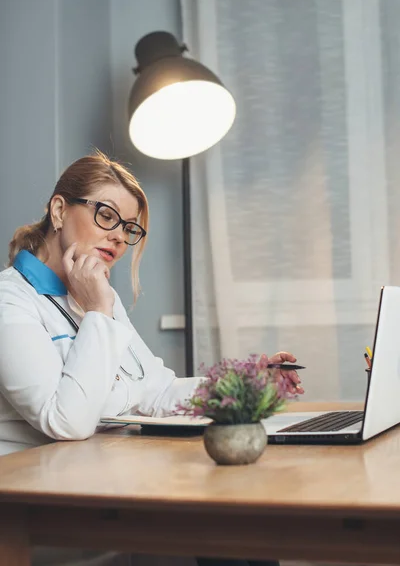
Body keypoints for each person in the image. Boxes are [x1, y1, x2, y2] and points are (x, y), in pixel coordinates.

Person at [0, 152, 303, 565]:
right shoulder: (11, 302)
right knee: (224, 518)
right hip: (38, 502)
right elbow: (65, 422)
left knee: (242, 515)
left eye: (129, 228)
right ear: (58, 210)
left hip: (106, 475)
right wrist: (99, 313)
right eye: (106, 216)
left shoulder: (95, 295)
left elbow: (155, 388)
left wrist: (246, 382)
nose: (120, 238)